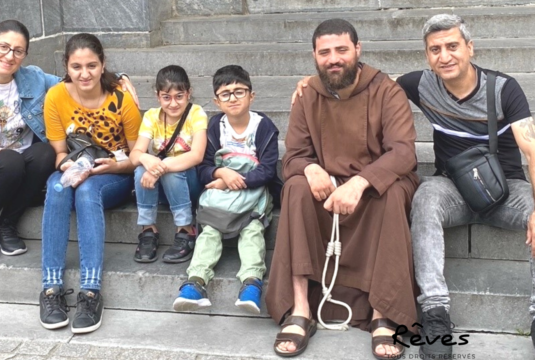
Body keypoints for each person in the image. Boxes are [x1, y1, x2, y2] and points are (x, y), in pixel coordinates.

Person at [0, 20, 138, 262]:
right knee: (9, 160)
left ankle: (7, 223)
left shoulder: (33, 79)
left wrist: (119, 79)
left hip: (23, 178)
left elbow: (79, 80)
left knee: (45, 152)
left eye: (18, 51)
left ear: (24, 54)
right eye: (3, 47)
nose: (10, 56)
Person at [268, 19, 419, 359]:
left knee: (392, 193)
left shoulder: (387, 91)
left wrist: (361, 182)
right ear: (314, 56)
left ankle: (384, 313)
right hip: (328, 188)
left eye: (341, 50)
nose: (333, 59)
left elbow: (404, 152)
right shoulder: (308, 94)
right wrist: (310, 167)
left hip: (374, 186)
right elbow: (293, 154)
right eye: (325, 52)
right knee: (294, 188)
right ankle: (301, 308)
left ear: (357, 50)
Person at [396, 15, 535, 358]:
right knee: (425, 195)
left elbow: (531, 149)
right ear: (427, 56)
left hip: (507, 191)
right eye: (435, 49)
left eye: (452, 46)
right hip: (453, 189)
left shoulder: (503, 88)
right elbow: (365, 82)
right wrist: (312, 82)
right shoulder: (420, 84)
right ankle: (435, 314)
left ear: (470, 48)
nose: (444, 56)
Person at [38, 33, 142, 334]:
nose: (85, 73)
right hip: (76, 166)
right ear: (67, 67)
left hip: (114, 173)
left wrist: (111, 167)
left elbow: (137, 156)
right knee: (58, 187)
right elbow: (58, 152)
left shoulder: (121, 98)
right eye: (77, 66)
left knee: (85, 192)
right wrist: (66, 165)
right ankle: (51, 289)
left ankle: (91, 292)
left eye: (92, 66)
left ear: (102, 65)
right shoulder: (56, 96)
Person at [172, 65, 281, 314]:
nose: (233, 98)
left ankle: (251, 283)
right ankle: (196, 282)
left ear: (251, 95)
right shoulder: (215, 127)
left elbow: (267, 170)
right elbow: (204, 167)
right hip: (222, 195)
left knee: (252, 231)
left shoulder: (263, 126)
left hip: (253, 194)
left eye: (239, 91)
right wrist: (220, 174)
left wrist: (235, 180)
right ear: (216, 100)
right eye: (226, 93)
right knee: (209, 231)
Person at [129, 65, 207, 264]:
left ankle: (186, 229)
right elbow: (135, 154)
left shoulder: (196, 113)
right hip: (162, 187)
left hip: (189, 184)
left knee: (171, 171)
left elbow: (197, 155)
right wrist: (147, 159)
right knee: (140, 169)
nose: (173, 103)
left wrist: (159, 168)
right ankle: (148, 229)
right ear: (157, 96)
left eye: (179, 96)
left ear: (188, 93)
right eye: (166, 97)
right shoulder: (151, 117)